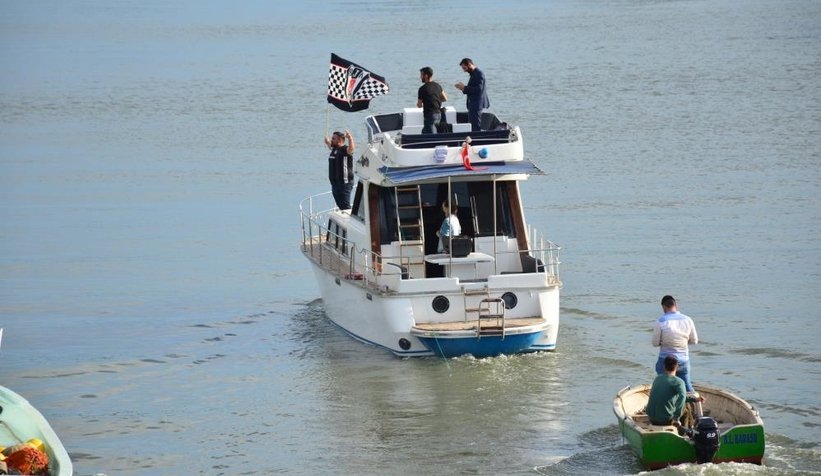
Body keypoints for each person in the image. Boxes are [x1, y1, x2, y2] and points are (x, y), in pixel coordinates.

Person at [652, 295, 699, 392]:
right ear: (675, 305)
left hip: (665, 361)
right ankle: (695, 403)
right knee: (687, 387)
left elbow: (655, 343)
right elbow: (694, 341)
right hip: (683, 360)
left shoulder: (661, 321)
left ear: (663, 307)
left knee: (663, 386)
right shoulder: (688, 320)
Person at [646, 356, 705, 426]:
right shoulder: (679, 382)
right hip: (666, 420)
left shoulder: (658, 378)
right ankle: (685, 432)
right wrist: (676, 418)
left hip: (651, 418)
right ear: (677, 367)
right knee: (686, 409)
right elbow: (682, 398)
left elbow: (679, 397)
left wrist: (695, 399)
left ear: (664, 366)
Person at [454, 58, 490, 132]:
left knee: (475, 126)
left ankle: (477, 140)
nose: (464, 70)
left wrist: (464, 88)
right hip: (473, 104)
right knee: (473, 125)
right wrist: (463, 89)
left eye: (465, 68)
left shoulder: (479, 74)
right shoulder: (474, 74)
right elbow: (474, 89)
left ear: (470, 65)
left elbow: (479, 89)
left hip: (477, 104)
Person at [323, 130, 355, 210]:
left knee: (345, 205)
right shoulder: (335, 149)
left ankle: (349, 220)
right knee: (340, 205)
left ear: (340, 140)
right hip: (335, 184)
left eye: (333, 138)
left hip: (344, 184)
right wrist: (327, 143)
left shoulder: (345, 150)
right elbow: (331, 146)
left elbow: (351, 149)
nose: (331, 140)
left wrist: (350, 138)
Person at [417, 67, 448, 134]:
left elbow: (419, 105)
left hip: (430, 115)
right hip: (439, 114)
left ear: (426, 76)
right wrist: (436, 101)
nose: (420, 77)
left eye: (421, 75)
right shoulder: (438, 86)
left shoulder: (422, 89)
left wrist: (425, 102)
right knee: (424, 132)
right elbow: (445, 98)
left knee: (431, 136)